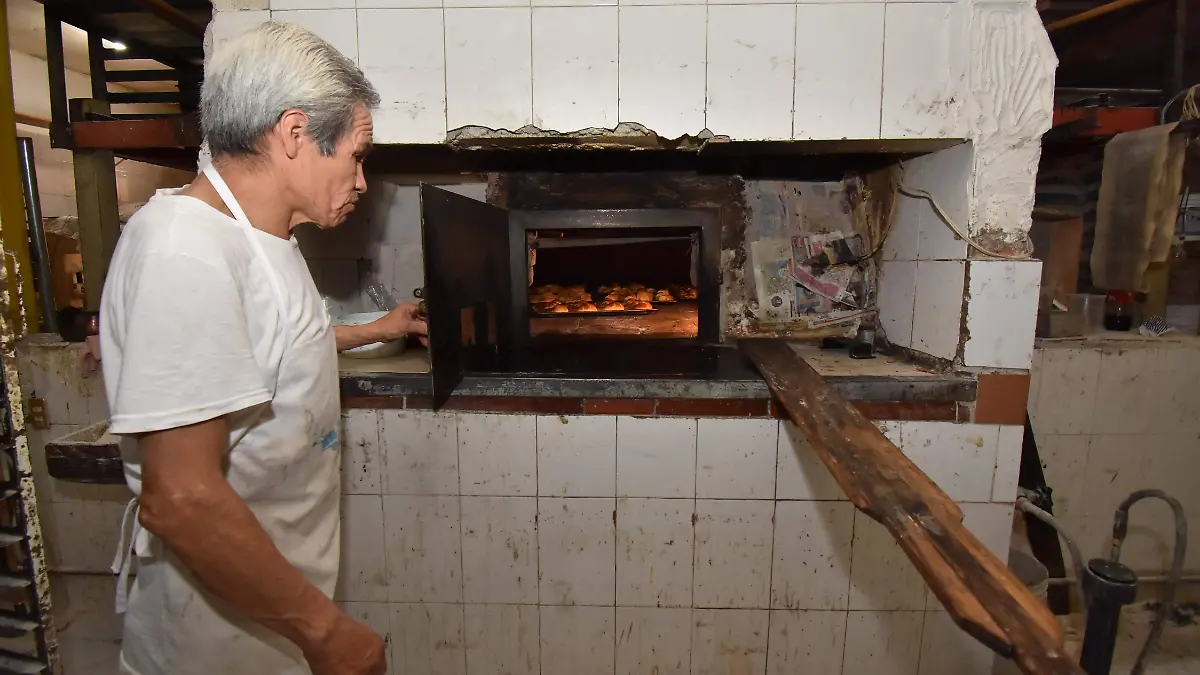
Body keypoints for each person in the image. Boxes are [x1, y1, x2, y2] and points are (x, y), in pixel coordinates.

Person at [99, 22, 423, 675]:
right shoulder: (186, 249)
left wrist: (374, 330)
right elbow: (181, 496)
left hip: (267, 627)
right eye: (356, 155)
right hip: (213, 646)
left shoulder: (263, 241)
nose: (361, 181)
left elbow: (266, 349)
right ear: (295, 133)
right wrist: (325, 631)